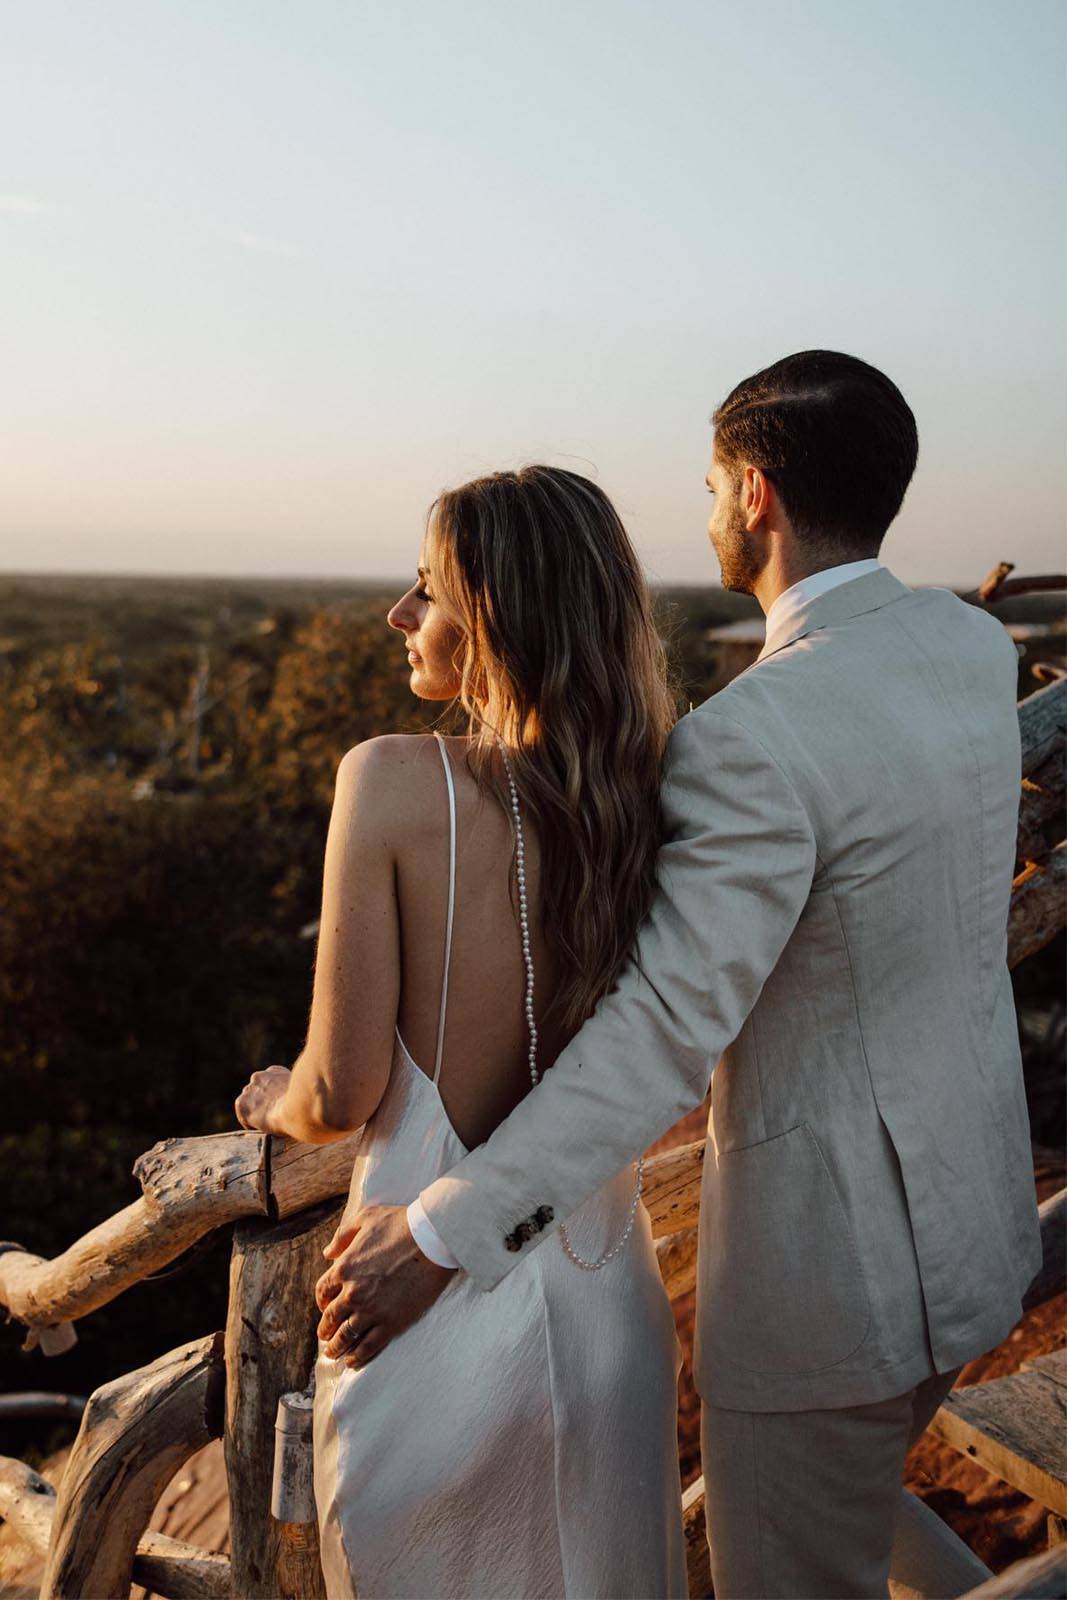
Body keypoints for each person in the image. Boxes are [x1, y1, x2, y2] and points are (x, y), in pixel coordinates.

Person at [322, 351, 1043, 1599]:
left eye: (711, 484)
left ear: (753, 494)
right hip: (973, 1223)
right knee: (855, 1509)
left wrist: (441, 1234)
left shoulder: (752, 738)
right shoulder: (964, 645)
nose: (706, 510)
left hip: (831, 1289)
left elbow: (662, 1028)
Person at [235, 465, 688, 1598]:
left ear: (493, 616)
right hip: (609, 1326)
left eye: (426, 589)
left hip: (419, 1320)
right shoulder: (658, 794)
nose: (400, 614)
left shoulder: (389, 779)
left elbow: (339, 1094)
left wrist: (271, 1101)